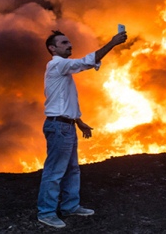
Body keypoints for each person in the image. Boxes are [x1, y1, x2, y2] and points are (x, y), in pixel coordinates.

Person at [37, 29, 128, 228]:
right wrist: (112, 43)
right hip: (59, 127)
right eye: (64, 43)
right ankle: (46, 212)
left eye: (69, 42)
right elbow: (86, 62)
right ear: (52, 48)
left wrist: (78, 121)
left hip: (66, 126)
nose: (69, 45)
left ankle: (70, 206)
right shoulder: (57, 64)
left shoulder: (63, 70)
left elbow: (64, 100)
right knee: (54, 171)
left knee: (72, 170)